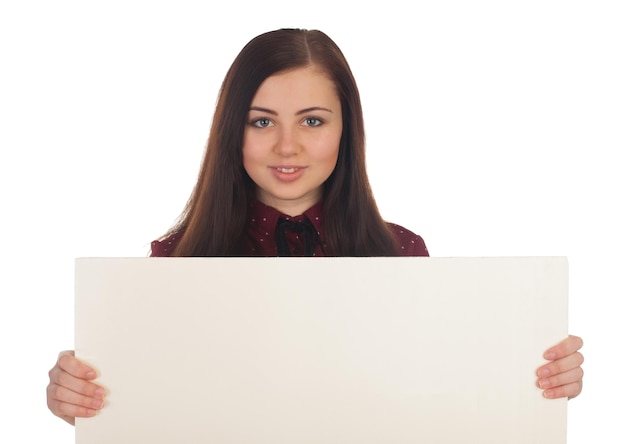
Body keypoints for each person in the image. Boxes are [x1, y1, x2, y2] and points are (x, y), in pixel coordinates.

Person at [46, 28, 584, 425]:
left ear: (344, 129)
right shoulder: (172, 262)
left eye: (312, 120)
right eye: (262, 121)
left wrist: (534, 377)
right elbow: (156, 409)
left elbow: (435, 396)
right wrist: (81, 398)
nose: (287, 146)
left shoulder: (402, 253)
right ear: (233, 131)